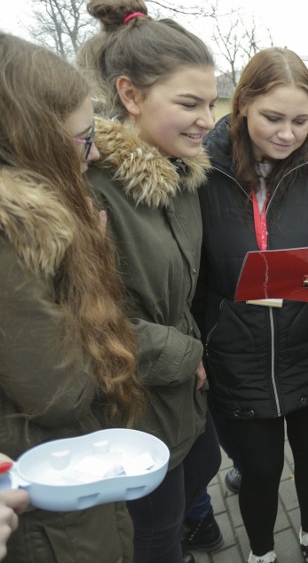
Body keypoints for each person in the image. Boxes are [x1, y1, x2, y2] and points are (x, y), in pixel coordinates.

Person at [196, 47, 308, 563]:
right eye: (273, 118)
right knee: (262, 467)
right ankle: (261, 553)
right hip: (237, 349)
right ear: (243, 104)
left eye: (301, 120)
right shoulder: (201, 171)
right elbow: (189, 271)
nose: (288, 134)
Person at [77, 0, 222, 562]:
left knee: (198, 475)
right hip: (129, 408)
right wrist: (186, 352)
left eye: (210, 102)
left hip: (180, 391)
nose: (208, 120)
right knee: (154, 534)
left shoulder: (181, 178)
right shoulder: (93, 189)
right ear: (130, 96)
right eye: (189, 102)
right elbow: (87, 323)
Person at [0, 31, 145, 562]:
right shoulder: (17, 237)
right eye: (84, 138)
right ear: (32, 138)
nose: (97, 151)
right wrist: (92, 259)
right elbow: (61, 392)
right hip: (45, 511)